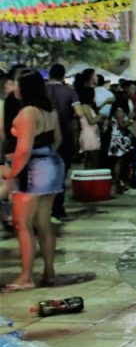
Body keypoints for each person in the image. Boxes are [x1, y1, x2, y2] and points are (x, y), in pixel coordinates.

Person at [0, 71, 65, 291]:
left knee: (22, 224)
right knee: (43, 222)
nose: (14, 90)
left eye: (17, 86)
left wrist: (11, 173)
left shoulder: (28, 112)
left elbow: (24, 149)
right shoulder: (49, 111)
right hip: (52, 163)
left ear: (25, 88)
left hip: (32, 169)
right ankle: (49, 271)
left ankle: (26, 277)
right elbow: (58, 140)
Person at [45, 63, 79, 222]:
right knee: (61, 174)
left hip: (43, 138)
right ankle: (58, 209)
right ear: (63, 75)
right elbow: (78, 112)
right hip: (65, 137)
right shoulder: (69, 91)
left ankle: (44, 210)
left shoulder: (41, 90)